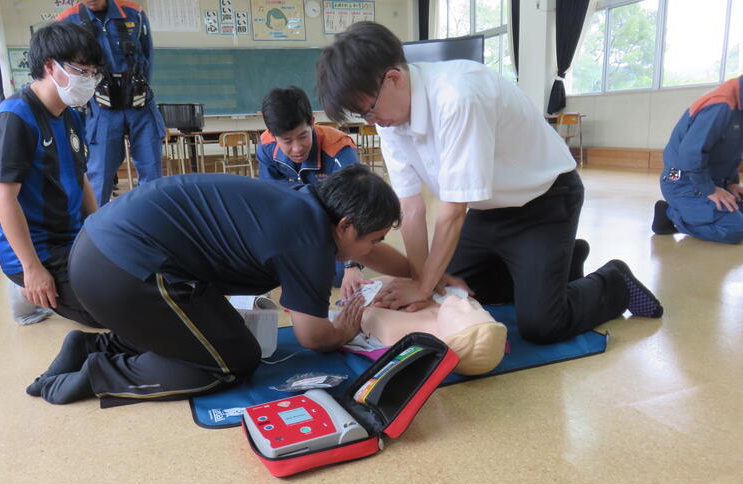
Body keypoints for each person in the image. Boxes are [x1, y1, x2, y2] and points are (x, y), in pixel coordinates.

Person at [316, 22, 663, 345]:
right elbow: (411, 207)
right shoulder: (389, 118)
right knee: (455, 290)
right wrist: (423, 281)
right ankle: (563, 261)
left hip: (546, 202)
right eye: (363, 115)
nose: (372, 122)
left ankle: (614, 282)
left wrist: (422, 286)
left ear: (394, 79)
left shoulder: (457, 96)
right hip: (488, 210)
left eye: (369, 110)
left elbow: (453, 212)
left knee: (542, 324)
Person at [26, 165, 411, 406]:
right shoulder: (309, 239)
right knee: (230, 362)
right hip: (121, 270)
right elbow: (313, 337)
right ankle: (98, 375)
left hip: (103, 248)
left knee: (220, 335)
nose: (374, 249)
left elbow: (373, 251)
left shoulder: (305, 203)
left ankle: (95, 345)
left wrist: (420, 276)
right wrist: (344, 329)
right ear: (345, 226)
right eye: (374, 239)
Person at [0, 21, 104, 328]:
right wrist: (31, 268)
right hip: (40, 251)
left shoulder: (70, 115)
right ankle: (24, 286)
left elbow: (80, 177)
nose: (90, 80)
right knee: (107, 311)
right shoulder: (13, 118)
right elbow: (3, 198)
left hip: (73, 238)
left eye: (94, 73)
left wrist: (101, 229)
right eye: (83, 70)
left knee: (135, 278)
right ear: (51, 66)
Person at [58, 0, 166, 206]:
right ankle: (95, 224)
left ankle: (151, 218)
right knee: (99, 175)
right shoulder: (67, 20)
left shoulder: (133, 13)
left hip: (140, 103)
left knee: (152, 172)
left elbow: (148, 54)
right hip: (101, 107)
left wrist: (138, 87)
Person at [257, 85, 361, 287]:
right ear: (272, 134)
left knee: (337, 276)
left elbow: (356, 209)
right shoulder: (266, 147)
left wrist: (351, 265)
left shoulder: (339, 150)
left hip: (336, 226)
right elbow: (269, 202)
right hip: (299, 224)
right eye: (287, 141)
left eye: (303, 136)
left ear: (312, 122)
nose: (297, 148)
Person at [652, 76, 743, 244]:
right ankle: (670, 214)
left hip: (713, 180)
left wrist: (731, 182)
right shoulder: (721, 105)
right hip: (684, 182)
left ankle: (692, 212)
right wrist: (710, 190)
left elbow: (733, 150)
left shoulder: (738, 105)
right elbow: (690, 153)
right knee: (735, 229)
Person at [356, 277, 507, 376]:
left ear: (450, 337)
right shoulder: (457, 302)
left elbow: (364, 307)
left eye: (463, 312)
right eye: (480, 309)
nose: (466, 302)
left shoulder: (391, 328)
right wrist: (426, 280)